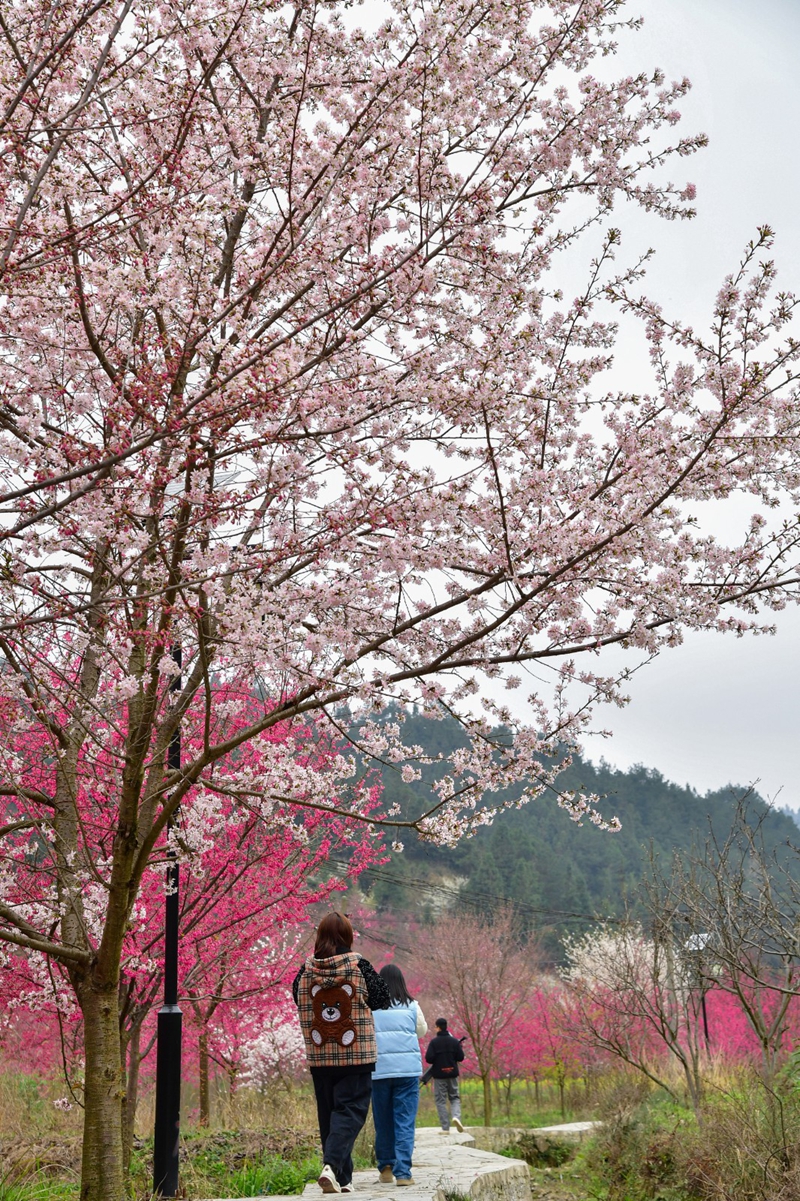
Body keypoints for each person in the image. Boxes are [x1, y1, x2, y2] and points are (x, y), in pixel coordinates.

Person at [294, 912, 391, 1194]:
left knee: (330, 1115)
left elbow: (296, 997)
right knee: (351, 1111)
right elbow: (382, 998)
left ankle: (343, 1179)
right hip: (356, 1055)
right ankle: (332, 1166)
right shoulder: (358, 964)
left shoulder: (305, 970)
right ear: (348, 936)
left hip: (320, 1055)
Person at [371, 964, 428, 1187]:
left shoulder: (371, 1006)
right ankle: (403, 1173)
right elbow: (421, 1031)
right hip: (407, 1071)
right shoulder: (412, 1005)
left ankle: (386, 1168)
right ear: (401, 982)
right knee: (404, 1121)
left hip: (380, 1071)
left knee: (383, 1120)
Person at [424, 1017, 465, 1133]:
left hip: (439, 1076)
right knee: (454, 1097)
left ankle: (445, 1127)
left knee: (440, 1100)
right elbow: (460, 1057)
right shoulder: (454, 1041)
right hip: (452, 1075)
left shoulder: (434, 1042)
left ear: (438, 1027)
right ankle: (456, 1116)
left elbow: (429, 1059)